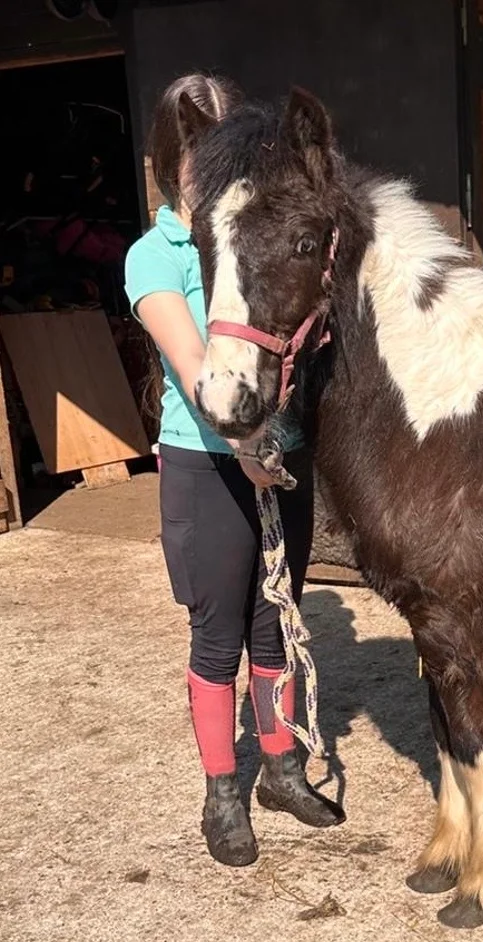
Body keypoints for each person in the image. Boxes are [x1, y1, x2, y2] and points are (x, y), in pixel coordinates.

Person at [124, 73, 343, 867]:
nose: (204, 167)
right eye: (192, 154)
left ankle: (281, 767)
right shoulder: (153, 256)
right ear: (168, 160)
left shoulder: (245, 232)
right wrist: (246, 449)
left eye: (217, 150)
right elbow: (191, 362)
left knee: (276, 621)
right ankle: (222, 789)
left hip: (276, 456)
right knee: (218, 634)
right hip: (206, 464)